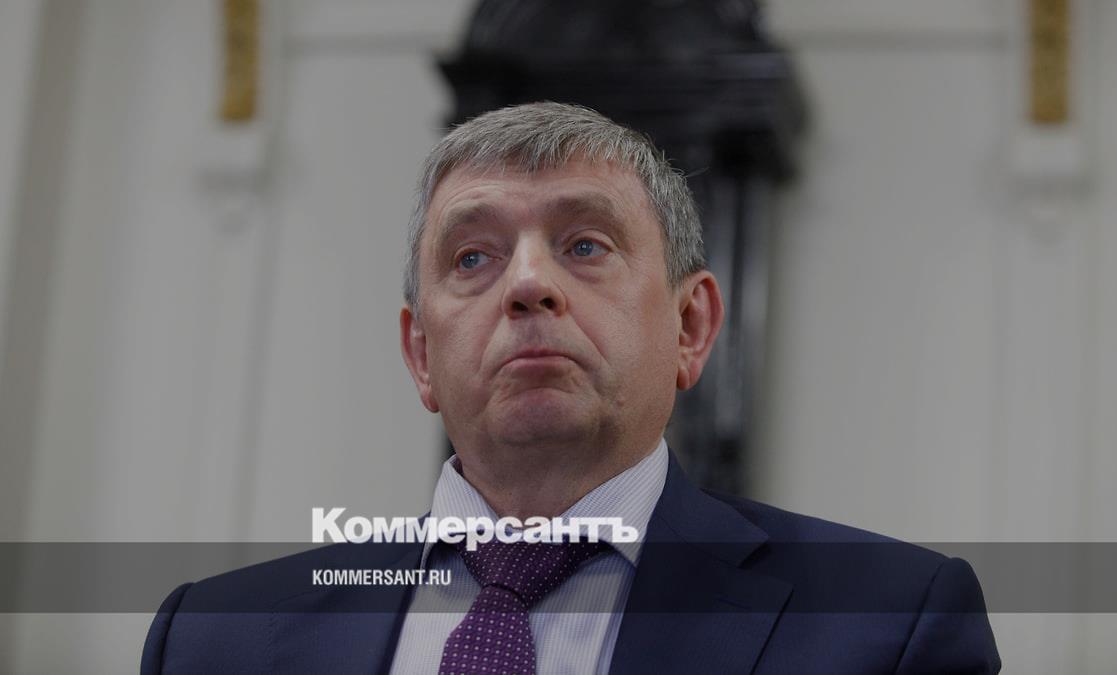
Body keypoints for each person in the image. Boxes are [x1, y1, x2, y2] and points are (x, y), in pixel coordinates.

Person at [141, 102, 1001, 674]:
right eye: (472, 256)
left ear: (691, 326)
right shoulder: (210, 642)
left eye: (585, 245)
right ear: (420, 354)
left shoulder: (887, 625)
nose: (527, 285)